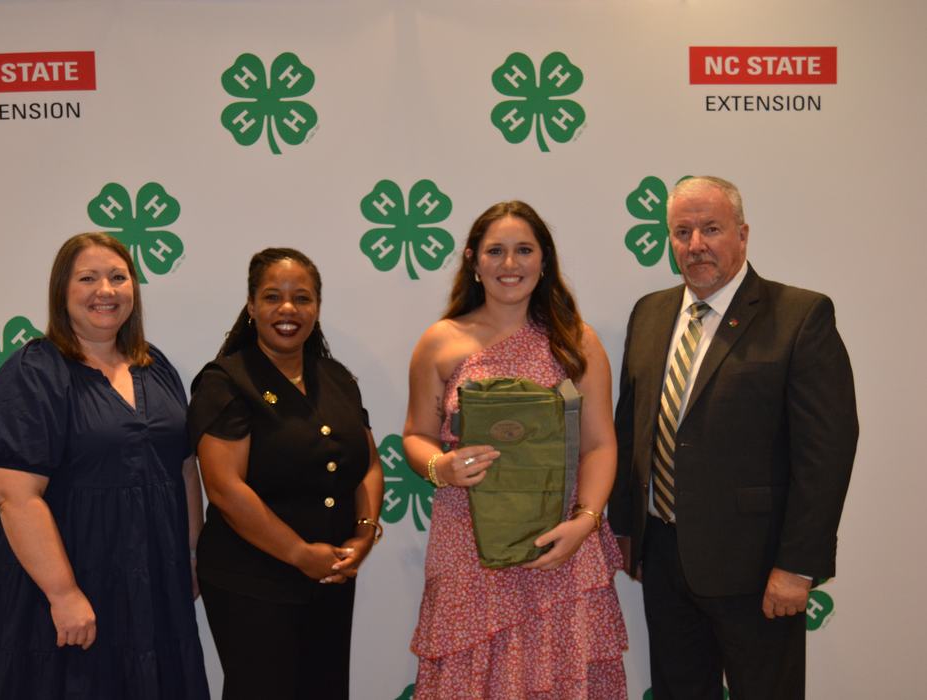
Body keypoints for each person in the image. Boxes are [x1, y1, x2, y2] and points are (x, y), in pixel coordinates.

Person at [608, 176, 858, 699]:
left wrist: (797, 566)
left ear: (742, 235)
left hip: (760, 570)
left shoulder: (800, 316)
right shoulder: (649, 313)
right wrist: (626, 531)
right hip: (665, 558)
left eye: (711, 228)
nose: (695, 244)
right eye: (682, 231)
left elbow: (827, 453)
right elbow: (630, 428)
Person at [0, 233, 209, 699]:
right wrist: (63, 594)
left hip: (152, 580)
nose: (106, 290)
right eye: (88, 278)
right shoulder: (33, 372)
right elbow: (13, 495)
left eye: (119, 277)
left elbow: (184, 468)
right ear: (62, 291)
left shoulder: (155, 366)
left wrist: (192, 556)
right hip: (67, 585)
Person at [403, 201, 628, 699]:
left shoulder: (578, 341)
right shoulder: (439, 342)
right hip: (469, 547)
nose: (510, 264)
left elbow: (599, 444)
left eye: (524, 250)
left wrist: (585, 521)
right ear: (473, 261)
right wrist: (441, 466)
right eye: (496, 251)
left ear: (543, 261)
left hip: (561, 542)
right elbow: (416, 435)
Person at [187, 247, 384, 700]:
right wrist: (299, 553)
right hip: (251, 581)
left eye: (303, 298)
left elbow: (368, 463)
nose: (288, 310)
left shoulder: (337, 378)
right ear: (252, 307)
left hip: (331, 575)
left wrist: (364, 534)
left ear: (317, 307)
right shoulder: (225, 381)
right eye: (273, 297)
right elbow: (224, 488)